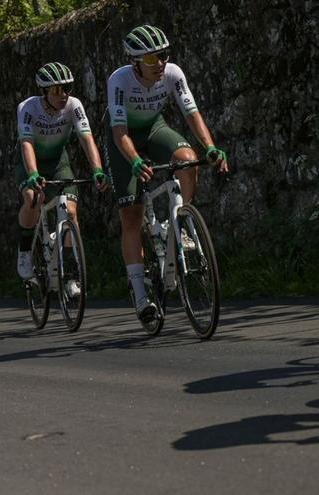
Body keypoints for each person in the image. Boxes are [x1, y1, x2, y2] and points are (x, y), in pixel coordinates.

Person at [106, 25, 228, 321]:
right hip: (122, 138)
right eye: (151, 59)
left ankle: (183, 224)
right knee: (131, 215)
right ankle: (139, 292)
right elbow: (120, 130)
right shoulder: (119, 80)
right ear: (135, 62)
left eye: (162, 55)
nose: (159, 63)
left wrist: (211, 147)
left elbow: (192, 113)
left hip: (153, 128)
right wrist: (134, 159)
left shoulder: (173, 73)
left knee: (188, 160)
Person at [15, 62, 107, 299]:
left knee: (71, 213)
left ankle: (71, 276)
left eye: (67, 88)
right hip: (30, 162)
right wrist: (33, 174)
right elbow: (26, 143)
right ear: (44, 91)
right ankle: (25, 250)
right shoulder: (27, 107)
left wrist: (97, 170)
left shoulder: (74, 105)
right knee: (33, 198)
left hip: (58, 163)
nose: (63, 94)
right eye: (56, 90)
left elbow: (87, 138)